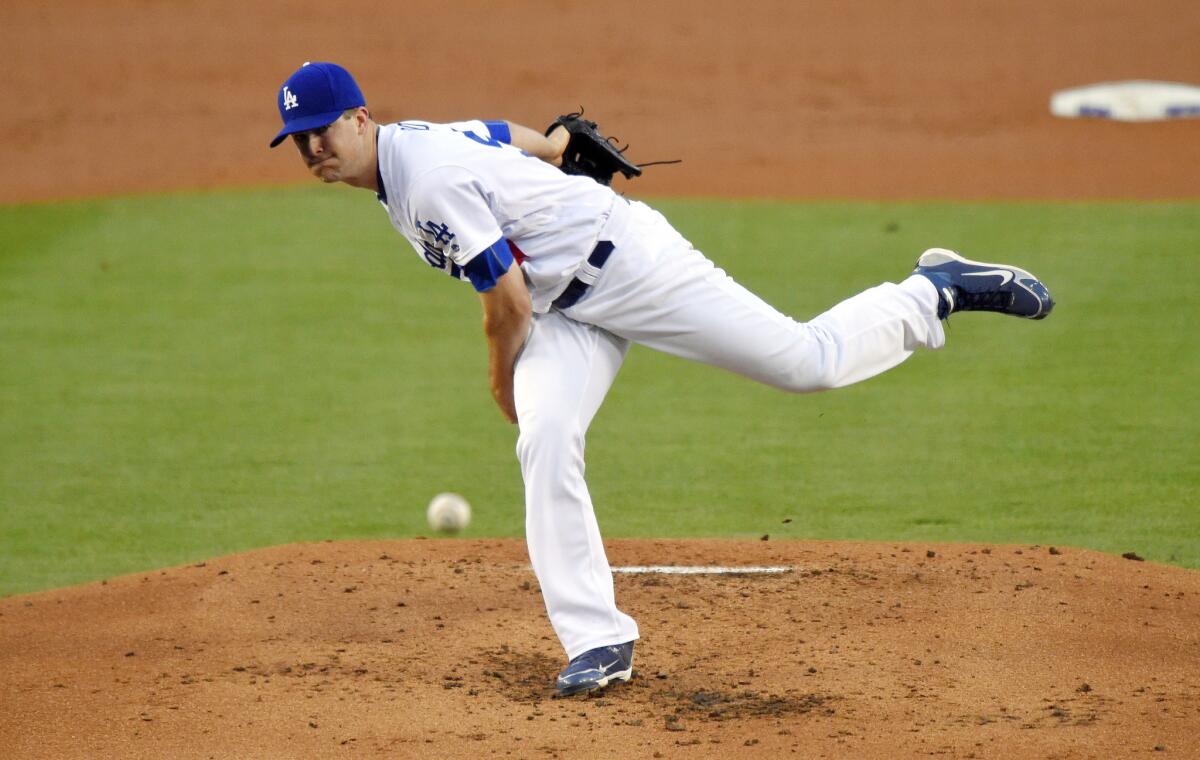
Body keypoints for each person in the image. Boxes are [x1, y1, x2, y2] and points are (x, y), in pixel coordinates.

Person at [269, 62, 1054, 697]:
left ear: (361, 118)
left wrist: (500, 381)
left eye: (323, 131)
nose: (313, 151)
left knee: (804, 362)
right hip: (567, 307)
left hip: (632, 266)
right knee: (547, 437)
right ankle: (598, 639)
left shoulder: (424, 180)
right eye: (298, 141)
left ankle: (934, 289)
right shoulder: (407, 149)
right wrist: (548, 147)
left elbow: (503, 303)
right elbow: (499, 134)